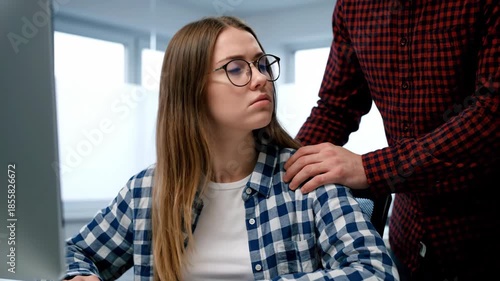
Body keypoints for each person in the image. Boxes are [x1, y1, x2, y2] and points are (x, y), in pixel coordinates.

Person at [64, 16, 398, 281]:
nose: (260, 78)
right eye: (236, 68)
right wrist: (77, 275)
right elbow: (72, 254)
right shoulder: (146, 190)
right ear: (191, 89)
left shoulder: (307, 180)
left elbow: (375, 272)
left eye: (261, 64)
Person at [283, 1, 499, 280]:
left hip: (487, 235)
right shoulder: (353, 6)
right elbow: (336, 108)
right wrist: (284, 171)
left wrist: (370, 169)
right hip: (409, 241)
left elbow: (492, 113)